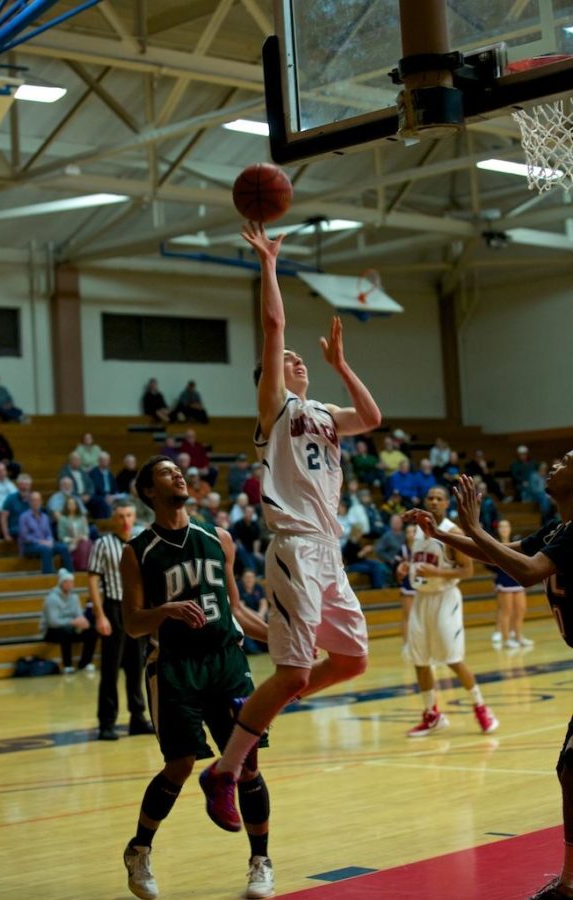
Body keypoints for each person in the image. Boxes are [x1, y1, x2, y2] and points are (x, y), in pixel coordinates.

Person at [198, 221, 381, 833]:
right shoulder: (275, 408)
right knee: (297, 672)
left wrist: (342, 364)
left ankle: (259, 708)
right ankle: (224, 770)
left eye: (303, 361)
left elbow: (374, 418)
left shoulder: (325, 413)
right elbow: (275, 328)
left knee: (352, 660)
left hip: (329, 552)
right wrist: (269, 265)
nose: (296, 360)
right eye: (288, 362)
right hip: (295, 547)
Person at [411, 462, 573, 900]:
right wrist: (444, 535)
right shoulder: (558, 528)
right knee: (571, 771)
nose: (556, 464)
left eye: (567, 461)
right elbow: (506, 552)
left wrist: (473, 527)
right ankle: (571, 884)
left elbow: (526, 571)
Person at [121, 455, 273, 900]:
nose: (179, 475)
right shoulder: (138, 551)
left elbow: (238, 609)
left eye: (179, 470)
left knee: (247, 765)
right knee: (181, 765)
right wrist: (164, 611)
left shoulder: (218, 538)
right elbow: (132, 622)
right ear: (149, 491)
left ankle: (260, 861)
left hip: (226, 662)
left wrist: (285, 644)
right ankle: (139, 849)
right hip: (175, 667)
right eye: (167, 472)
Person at [399, 486, 498, 737]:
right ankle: (431, 714)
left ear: (446, 504)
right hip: (422, 598)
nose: (433, 501)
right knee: (419, 661)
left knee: (452, 658)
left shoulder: (454, 532)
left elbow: (467, 571)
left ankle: (481, 707)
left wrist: (437, 573)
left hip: (445, 598)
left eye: (438, 498)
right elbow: (423, 563)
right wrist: (406, 568)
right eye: (430, 497)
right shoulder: (418, 533)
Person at [87, 499, 153, 741]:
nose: (125, 521)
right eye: (120, 516)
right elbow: (93, 579)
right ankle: (107, 722)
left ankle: (138, 717)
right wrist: (99, 614)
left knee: (137, 667)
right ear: (114, 519)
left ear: (134, 517)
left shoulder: (140, 541)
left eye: (128, 516)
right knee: (110, 669)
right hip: (113, 609)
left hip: (136, 609)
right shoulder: (103, 544)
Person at [40, 569, 97, 673]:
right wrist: (73, 622)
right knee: (65, 632)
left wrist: (83, 622)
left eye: (72, 582)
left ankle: (84, 663)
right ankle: (67, 665)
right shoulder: (51, 598)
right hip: (51, 631)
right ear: (62, 583)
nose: (70, 584)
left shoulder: (74, 597)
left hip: (71, 628)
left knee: (91, 630)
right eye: (68, 582)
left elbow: (79, 614)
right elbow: (53, 622)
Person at [489, 519, 534, 650]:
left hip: (517, 580)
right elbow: (489, 564)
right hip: (503, 580)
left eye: (506, 526)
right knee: (506, 611)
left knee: (520, 610)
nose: (504, 529)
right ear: (498, 529)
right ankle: (506, 639)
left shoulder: (517, 543)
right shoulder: (494, 545)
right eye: (501, 526)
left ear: (510, 528)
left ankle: (519, 636)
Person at [18, 491, 73, 574]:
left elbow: (49, 534)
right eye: (33, 500)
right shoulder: (24, 517)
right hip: (29, 546)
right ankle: (48, 575)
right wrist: (41, 542)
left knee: (63, 547)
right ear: (29, 502)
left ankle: (69, 573)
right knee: (46, 549)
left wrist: (49, 541)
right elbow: (25, 537)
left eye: (38, 500)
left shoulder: (45, 517)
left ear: (41, 502)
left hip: (45, 543)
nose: (36, 503)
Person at [57, 495, 93, 572]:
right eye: (69, 504)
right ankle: (81, 568)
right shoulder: (63, 519)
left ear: (76, 505)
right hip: (70, 542)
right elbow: (61, 536)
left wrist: (79, 538)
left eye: (73, 504)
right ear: (66, 506)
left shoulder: (81, 517)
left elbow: (86, 532)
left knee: (87, 543)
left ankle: (86, 566)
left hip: (81, 540)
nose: (71, 506)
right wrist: (73, 540)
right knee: (81, 545)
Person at [236, 569, 269, 654]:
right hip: (245, 616)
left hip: (259, 615)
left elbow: (263, 603)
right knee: (254, 651)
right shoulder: (238, 588)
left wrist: (261, 614)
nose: (249, 579)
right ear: (242, 578)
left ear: (254, 578)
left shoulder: (258, 587)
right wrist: (256, 615)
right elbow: (241, 607)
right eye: (246, 577)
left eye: (251, 577)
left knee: (270, 618)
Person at [0, 472, 33, 542]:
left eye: (26, 485)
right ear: (18, 486)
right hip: (16, 528)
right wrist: (6, 534)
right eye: (22, 484)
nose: (24, 487)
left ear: (30, 486)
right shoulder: (10, 499)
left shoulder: (33, 499)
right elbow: (3, 517)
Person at [88, 452, 118, 519]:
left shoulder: (110, 473)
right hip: (97, 496)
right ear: (99, 461)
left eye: (107, 460)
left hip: (110, 496)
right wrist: (105, 496)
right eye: (104, 460)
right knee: (102, 502)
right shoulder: (93, 473)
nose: (106, 462)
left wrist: (113, 496)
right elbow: (94, 488)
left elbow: (114, 487)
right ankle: (106, 523)